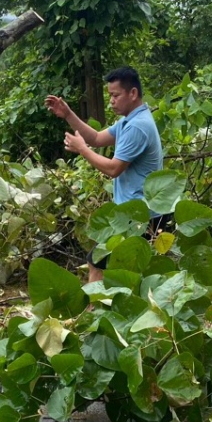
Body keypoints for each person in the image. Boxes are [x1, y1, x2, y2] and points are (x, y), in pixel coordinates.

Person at [46, 67, 164, 282]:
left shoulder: (138, 126)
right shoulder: (130, 121)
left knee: (97, 262)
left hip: (141, 216)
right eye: (109, 95)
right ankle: (101, 311)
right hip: (136, 213)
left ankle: (94, 312)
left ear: (133, 93)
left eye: (115, 95)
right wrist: (68, 114)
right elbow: (97, 139)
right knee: (121, 270)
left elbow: (113, 169)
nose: (111, 101)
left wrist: (82, 149)